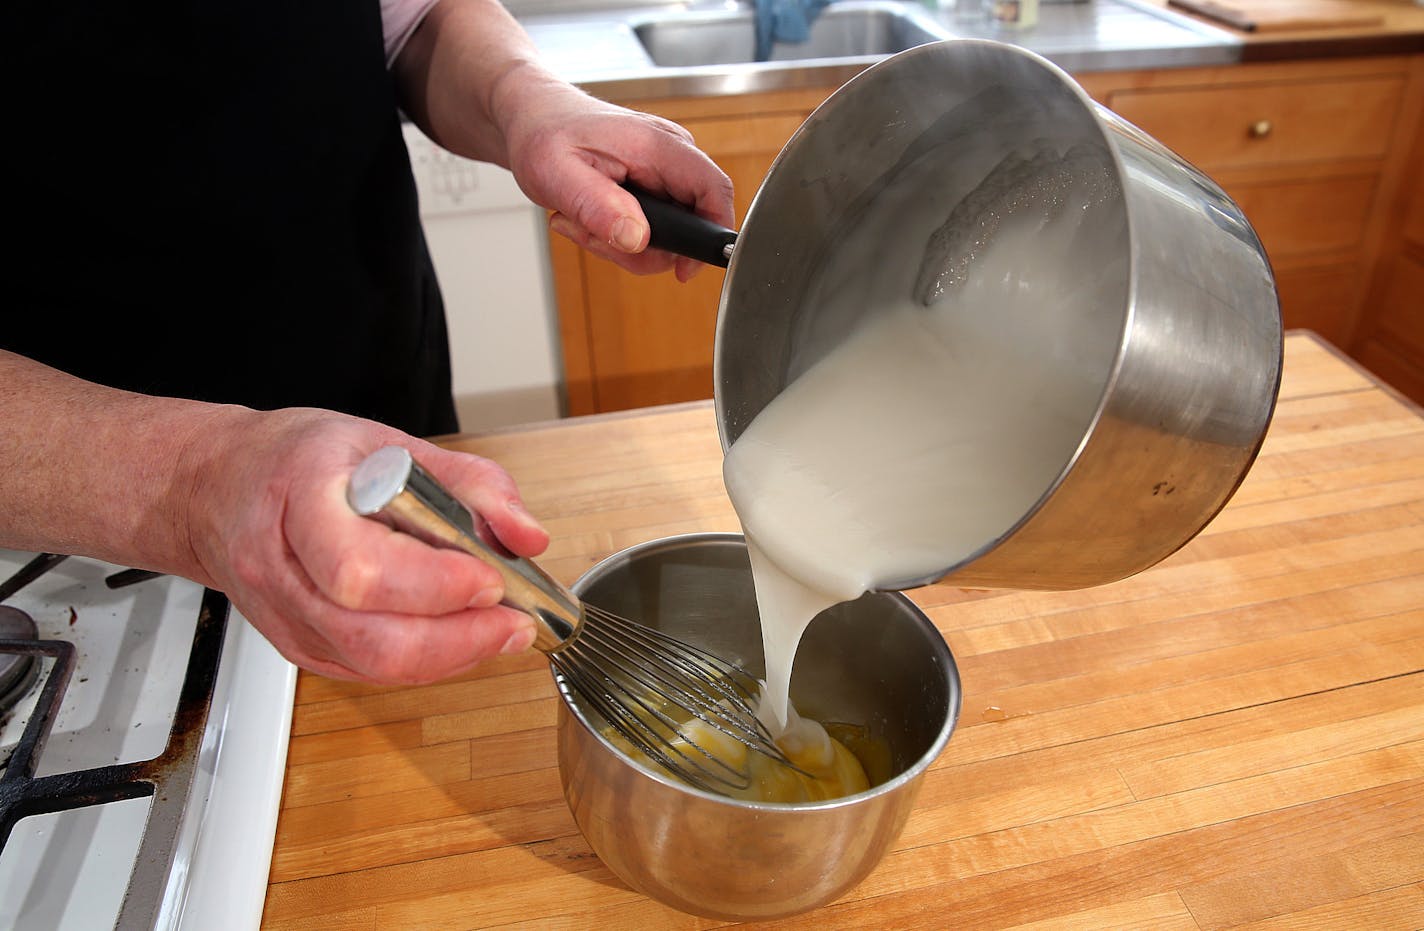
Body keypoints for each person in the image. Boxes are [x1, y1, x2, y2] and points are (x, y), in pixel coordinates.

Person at [1, 0, 734, 685]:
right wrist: (192, 483)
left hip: (379, 389)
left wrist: (522, 96)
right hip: (79, 528)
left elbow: (411, 20)